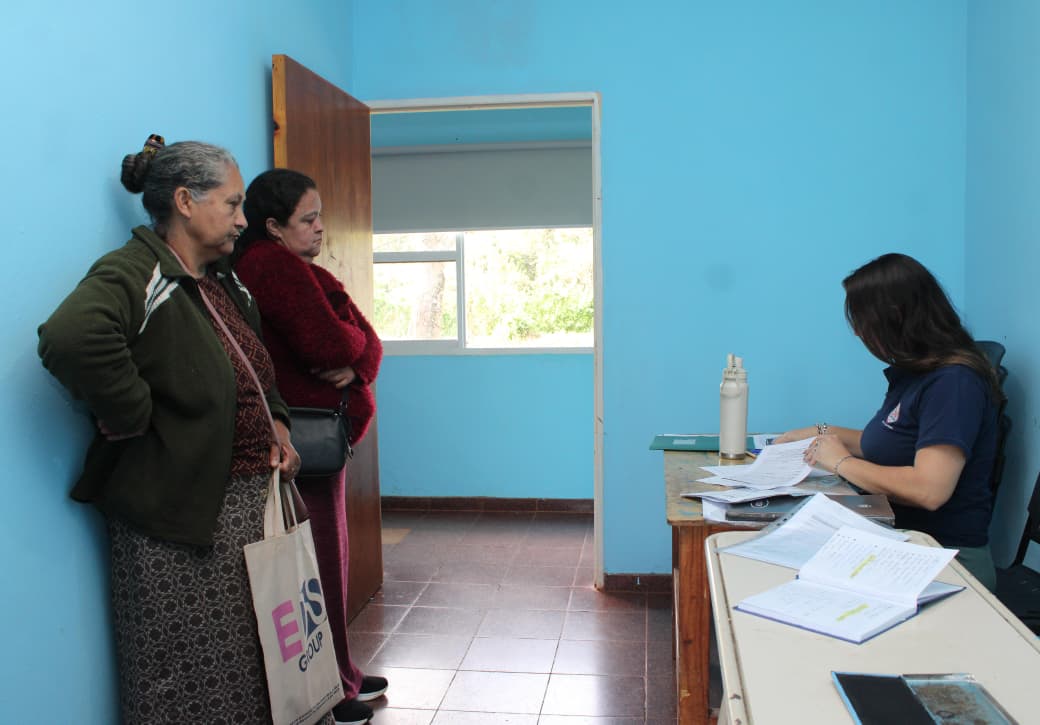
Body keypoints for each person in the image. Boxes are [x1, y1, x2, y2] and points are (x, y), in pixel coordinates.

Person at [37, 137, 335, 724]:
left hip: (244, 512)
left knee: (259, 669)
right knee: (190, 681)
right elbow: (70, 338)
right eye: (231, 204)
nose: (242, 219)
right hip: (182, 525)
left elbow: (254, 365)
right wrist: (132, 414)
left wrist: (274, 417)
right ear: (185, 202)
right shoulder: (137, 272)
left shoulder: (222, 279)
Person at [234, 168, 386, 725]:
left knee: (332, 560)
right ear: (272, 227)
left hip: (323, 440)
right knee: (317, 568)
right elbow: (330, 343)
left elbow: (369, 344)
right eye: (309, 218)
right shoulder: (271, 267)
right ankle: (331, 686)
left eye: (320, 214)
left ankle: (343, 670)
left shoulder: (297, 267)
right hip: (306, 441)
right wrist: (354, 346)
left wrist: (360, 355)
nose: (321, 227)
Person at [776, 253, 1001, 590]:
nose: (857, 332)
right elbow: (887, 442)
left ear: (894, 317)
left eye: (862, 320)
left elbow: (929, 490)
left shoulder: (954, 383)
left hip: (946, 558)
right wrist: (820, 432)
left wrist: (840, 462)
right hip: (903, 540)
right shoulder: (916, 374)